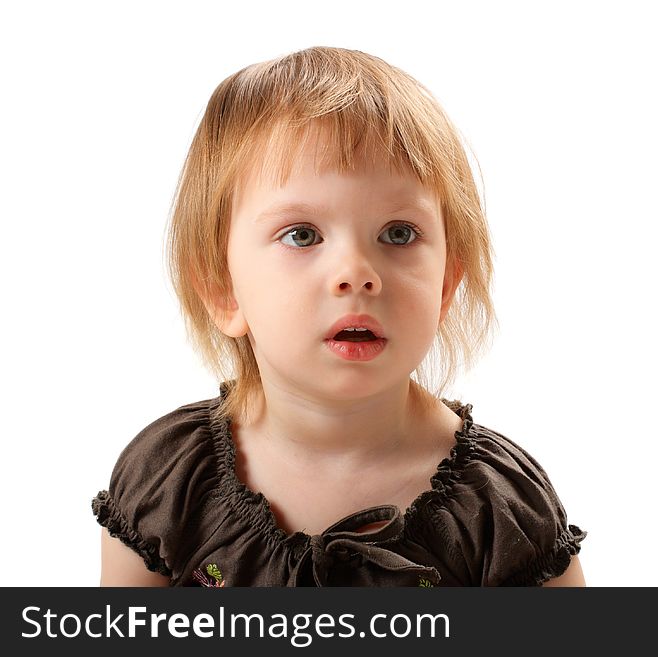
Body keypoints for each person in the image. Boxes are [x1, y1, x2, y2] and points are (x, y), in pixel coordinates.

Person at [92, 46, 586, 587]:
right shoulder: (168, 482)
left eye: (398, 233)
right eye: (301, 235)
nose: (357, 272)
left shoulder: (501, 508)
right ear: (222, 288)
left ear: (445, 287)